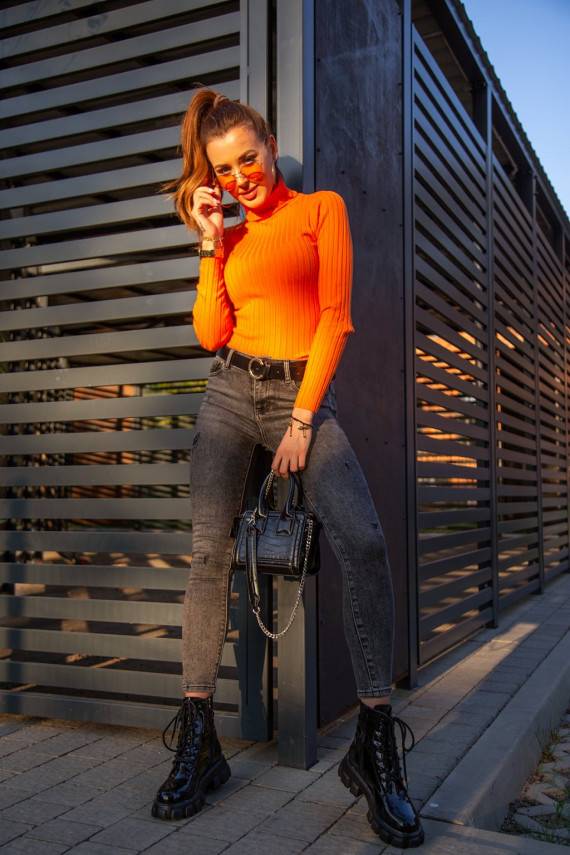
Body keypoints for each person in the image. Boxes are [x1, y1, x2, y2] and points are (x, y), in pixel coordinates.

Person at [150, 86, 425, 849]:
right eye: (224, 170)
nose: (241, 177)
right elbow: (211, 334)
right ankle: (200, 739)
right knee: (209, 555)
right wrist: (208, 240)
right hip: (229, 392)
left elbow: (334, 316)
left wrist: (302, 417)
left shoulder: (320, 209)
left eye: (249, 158)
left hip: (298, 393)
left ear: (270, 144)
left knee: (363, 544)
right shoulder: (230, 235)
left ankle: (374, 745)